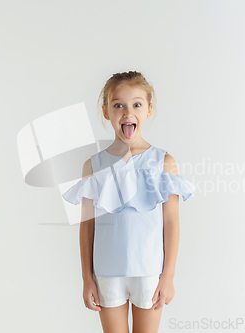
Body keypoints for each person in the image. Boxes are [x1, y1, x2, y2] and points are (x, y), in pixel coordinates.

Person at [62, 71, 196, 333]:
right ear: (106, 111)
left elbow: (171, 222)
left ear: (149, 110)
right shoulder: (94, 165)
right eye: (118, 105)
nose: (127, 112)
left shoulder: (163, 162)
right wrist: (87, 279)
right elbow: (87, 227)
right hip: (107, 272)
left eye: (136, 104)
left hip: (149, 272)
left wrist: (167, 276)